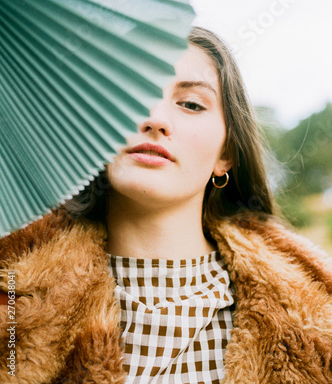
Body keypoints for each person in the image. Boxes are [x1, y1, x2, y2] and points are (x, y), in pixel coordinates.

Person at [0, 27, 331, 384]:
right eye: (132, 94)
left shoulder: (320, 317)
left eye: (190, 104)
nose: (155, 119)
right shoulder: (12, 298)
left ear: (227, 154)